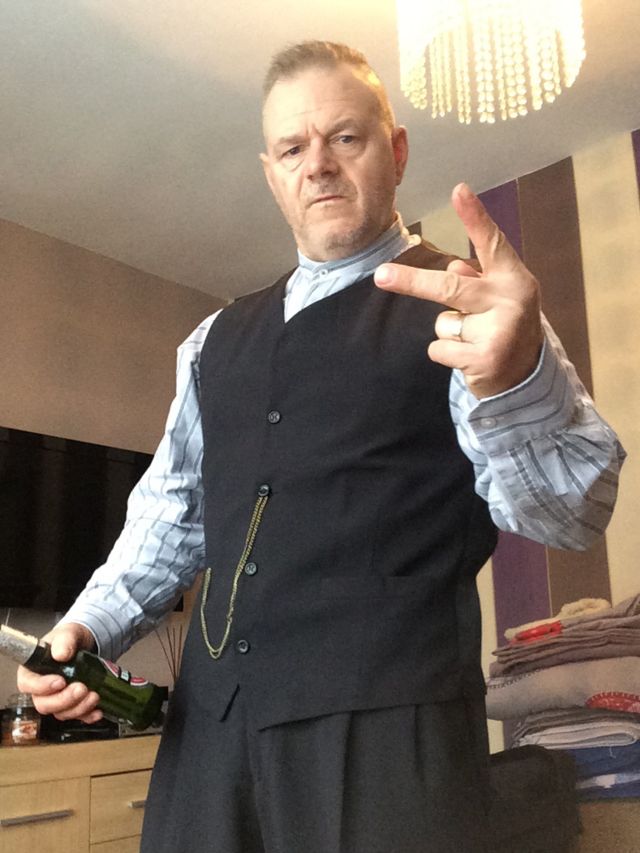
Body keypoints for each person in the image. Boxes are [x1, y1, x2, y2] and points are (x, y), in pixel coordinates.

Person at [18, 41, 625, 852]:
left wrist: (515, 383)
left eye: (345, 137)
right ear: (271, 173)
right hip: (210, 736)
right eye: (293, 148)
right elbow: (169, 515)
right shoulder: (210, 341)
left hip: (391, 739)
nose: (319, 166)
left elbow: (573, 514)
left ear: (395, 151)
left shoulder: (477, 312)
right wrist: (87, 626)